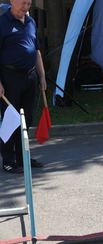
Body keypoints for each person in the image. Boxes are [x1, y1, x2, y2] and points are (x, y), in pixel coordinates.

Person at [0, 0, 46, 174]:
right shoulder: (2, 23)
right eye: (22, 3)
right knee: (10, 120)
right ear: (12, 1)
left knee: (26, 119)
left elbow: (36, 51)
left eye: (28, 3)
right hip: (10, 77)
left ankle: (23, 157)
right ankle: (8, 160)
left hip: (30, 75)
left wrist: (41, 76)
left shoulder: (31, 22)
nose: (25, 7)